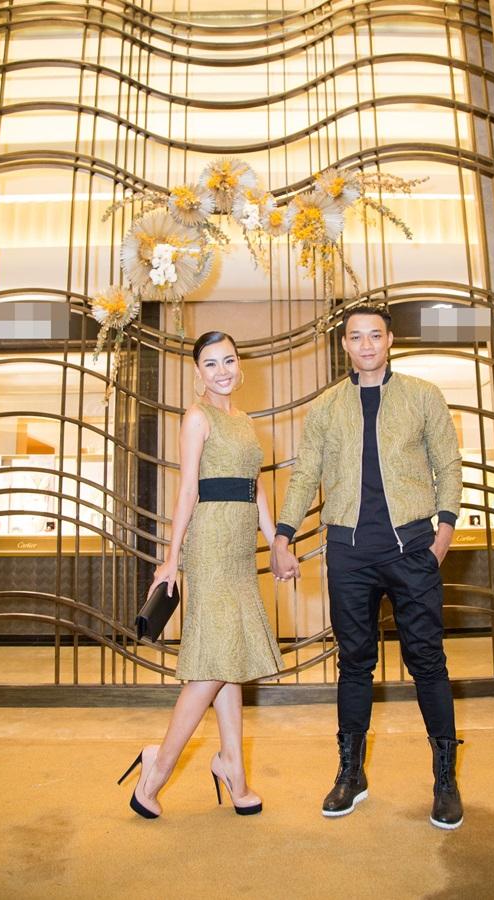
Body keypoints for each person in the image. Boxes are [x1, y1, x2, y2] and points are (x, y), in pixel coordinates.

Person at [271, 302, 464, 830]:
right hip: (350, 552)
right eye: (356, 337)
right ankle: (351, 773)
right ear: (345, 345)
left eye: (375, 335)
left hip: (413, 547)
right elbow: (306, 472)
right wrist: (284, 534)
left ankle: (445, 780)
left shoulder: (423, 396)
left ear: (390, 339)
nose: (366, 345)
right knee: (354, 663)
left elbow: (448, 464)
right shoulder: (327, 406)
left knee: (427, 660)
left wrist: (444, 532)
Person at [118, 330, 283, 819]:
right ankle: (157, 769)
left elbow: (255, 488)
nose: (222, 371)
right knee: (213, 663)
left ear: (239, 363)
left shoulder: (246, 422)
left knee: (228, 658)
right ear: (198, 373)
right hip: (209, 545)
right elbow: (187, 489)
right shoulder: (196, 417)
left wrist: (276, 541)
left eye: (228, 360)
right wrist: (172, 558)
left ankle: (232, 767)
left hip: (240, 548)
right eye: (211, 364)